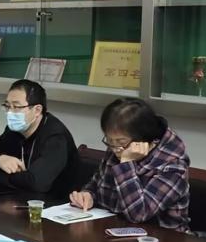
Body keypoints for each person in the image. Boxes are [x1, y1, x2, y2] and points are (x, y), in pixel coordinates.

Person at [69, 99, 191, 232]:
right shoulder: (118, 147)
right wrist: (88, 195)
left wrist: (126, 164)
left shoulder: (173, 166)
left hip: (162, 239)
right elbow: (96, 184)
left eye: (121, 142)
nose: (115, 149)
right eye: (109, 140)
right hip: (111, 230)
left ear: (143, 138)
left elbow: (139, 214)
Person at [0, 79, 81, 198]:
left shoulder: (55, 137)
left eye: (16, 107)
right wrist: (0, 158)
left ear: (37, 110)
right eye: (7, 106)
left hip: (54, 202)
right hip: (18, 197)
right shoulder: (14, 129)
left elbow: (37, 183)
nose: (10, 112)